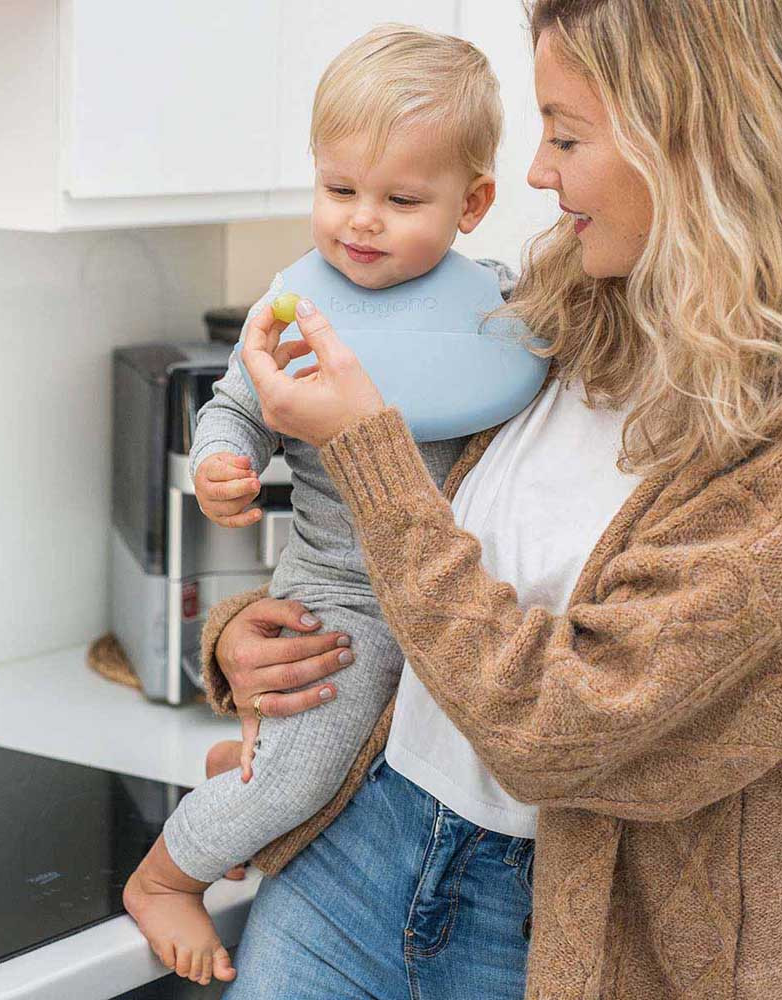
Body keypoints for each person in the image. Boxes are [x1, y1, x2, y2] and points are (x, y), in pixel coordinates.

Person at [194, 1, 782, 998]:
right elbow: (433, 548)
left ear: (686, 138)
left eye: (564, 135)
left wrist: (365, 451)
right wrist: (256, 640)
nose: (537, 173)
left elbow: (560, 727)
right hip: (356, 849)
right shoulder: (568, 301)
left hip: (562, 932)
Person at [122, 23, 526, 987]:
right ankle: (165, 877)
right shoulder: (296, 310)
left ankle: (263, 781)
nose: (363, 222)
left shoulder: (502, 309)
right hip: (339, 598)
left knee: (341, 766)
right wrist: (222, 463)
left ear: (473, 204)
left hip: (454, 607)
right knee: (303, 773)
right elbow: (234, 406)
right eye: (340, 190)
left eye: (402, 200)